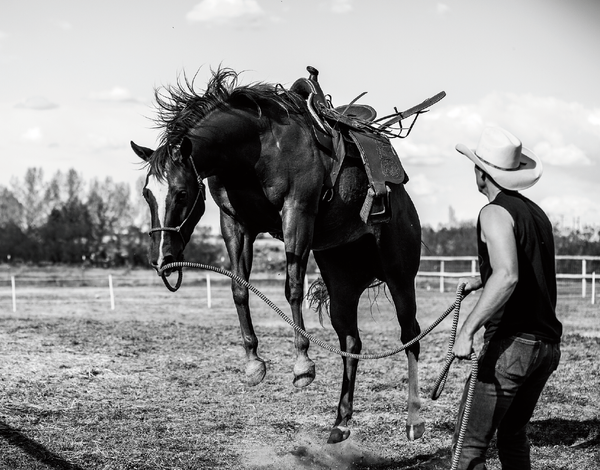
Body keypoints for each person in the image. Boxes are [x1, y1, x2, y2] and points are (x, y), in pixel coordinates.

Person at [451, 126, 562, 470]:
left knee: (468, 447)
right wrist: (481, 280)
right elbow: (526, 267)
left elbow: (508, 275)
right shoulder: (535, 213)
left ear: (481, 172)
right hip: (545, 347)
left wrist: (467, 331)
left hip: (512, 346)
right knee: (513, 435)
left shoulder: (493, 212)